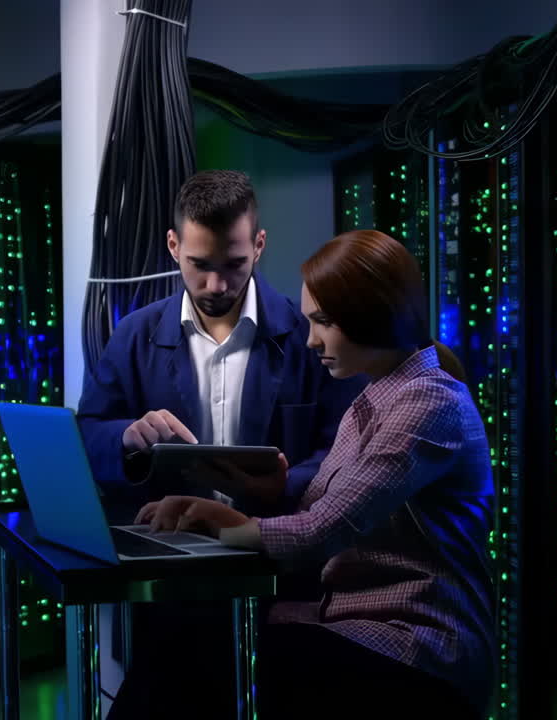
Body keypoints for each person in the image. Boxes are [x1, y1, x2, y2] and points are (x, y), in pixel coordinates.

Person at [138, 229, 496, 719]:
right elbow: (322, 514)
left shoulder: (430, 402)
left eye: (323, 322)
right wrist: (254, 496)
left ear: (372, 313)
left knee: (189, 658)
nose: (311, 340)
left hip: (417, 644)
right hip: (353, 624)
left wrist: (215, 520)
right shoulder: (373, 399)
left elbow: (322, 532)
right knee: (181, 638)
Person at [78, 170, 364, 718]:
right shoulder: (134, 335)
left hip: (282, 583)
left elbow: (343, 447)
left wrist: (288, 481)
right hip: (172, 588)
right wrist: (126, 439)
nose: (216, 285)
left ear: (259, 244)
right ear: (173, 246)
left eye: (233, 265)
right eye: (199, 265)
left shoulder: (311, 336)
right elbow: (90, 434)